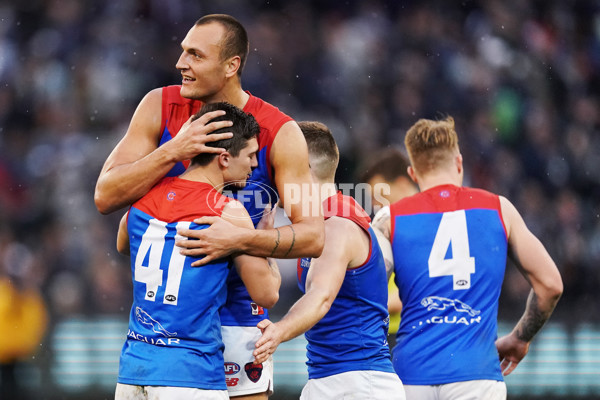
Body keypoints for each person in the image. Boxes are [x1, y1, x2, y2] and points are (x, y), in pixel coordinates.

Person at [94, 14, 324, 399]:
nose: (181, 64)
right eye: (183, 52)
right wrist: (174, 150)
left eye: (196, 56)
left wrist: (238, 240)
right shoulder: (159, 105)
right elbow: (105, 195)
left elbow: (314, 234)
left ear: (232, 65)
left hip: (237, 320)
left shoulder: (280, 133)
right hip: (168, 326)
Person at [372, 116, 563, 400]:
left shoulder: (390, 218)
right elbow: (550, 285)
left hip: (409, 377)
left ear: (413, 173)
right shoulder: (499, 209)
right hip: (477, 375)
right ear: (459, 163)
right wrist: (519, 338)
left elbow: (364, 292)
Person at [114, 102, 281, 400]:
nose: (255, 165)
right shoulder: (227, 211)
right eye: (251, 155)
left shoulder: (144, 195)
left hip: (133, 373)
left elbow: (123, 243)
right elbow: (266, 293)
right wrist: (263, 241)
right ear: (224, 158)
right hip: (191, 375)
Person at [253, 121, 406, 400]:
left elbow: (321, 296)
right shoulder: (317, 226)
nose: (274, 181)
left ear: (303, 170)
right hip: (331, 378)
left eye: (280, 169)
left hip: (358, 382)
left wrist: (278, 331)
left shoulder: (337, 225)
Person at [359, 148, 418, 350]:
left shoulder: (423, 226)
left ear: (402, 184)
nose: (376, 206)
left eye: (380, 196)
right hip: (386, 333)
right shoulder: (386, 226)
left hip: (411, 333)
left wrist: (382, 301)